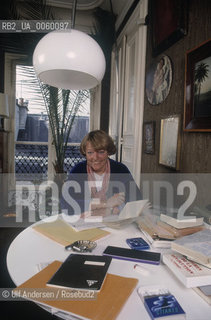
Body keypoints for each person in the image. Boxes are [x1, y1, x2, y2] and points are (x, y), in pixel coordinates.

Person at [62, 130, 142, 216]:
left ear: (108, 152)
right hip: (84, 224)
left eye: (101, 152)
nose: (95, 157)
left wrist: (115, 209)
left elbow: (136, 200)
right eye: (90, 152)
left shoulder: (120, 169)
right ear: (85, 153)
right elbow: (66, 203)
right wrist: (105, 203)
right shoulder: (78, 170)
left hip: (114, 223)